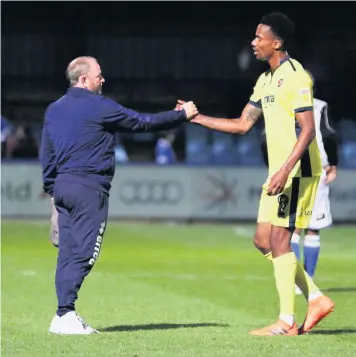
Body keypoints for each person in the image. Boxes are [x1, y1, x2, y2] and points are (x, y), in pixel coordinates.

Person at [177, 13, 335, 336]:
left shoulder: (296, 76)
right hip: (278, 172)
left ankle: (286, 321)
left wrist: (285, 170)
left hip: (297, 171)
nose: (253, 42)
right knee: (263, 240)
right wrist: (197, 119)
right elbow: (242, 124)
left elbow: (308, 131)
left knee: (279, 239)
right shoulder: (265, 80)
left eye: (259, 37)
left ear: (276, 43)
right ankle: (316, 297)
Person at [40, 56, 198, 335]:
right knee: (85, 253)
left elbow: (48, 154)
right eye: (99, 75)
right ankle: (65, 314)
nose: (103, 79)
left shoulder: (54, 109)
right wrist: (181, 115)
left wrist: (53, 192)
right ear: (84, 80)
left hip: (63, 187)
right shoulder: (99, 106)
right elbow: (141, 122)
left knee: (66, 253)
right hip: (89, 187)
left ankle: (62, 314)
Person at [290, 72, 338, 294]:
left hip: (289, 169)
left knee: (292, 228)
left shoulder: (283, 106)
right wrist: (333, 163)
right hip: (315, 168)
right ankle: (307, 280)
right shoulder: (318, 106)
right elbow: (327, 135)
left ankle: (294, 280)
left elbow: (265, 139)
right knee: (312, 227)